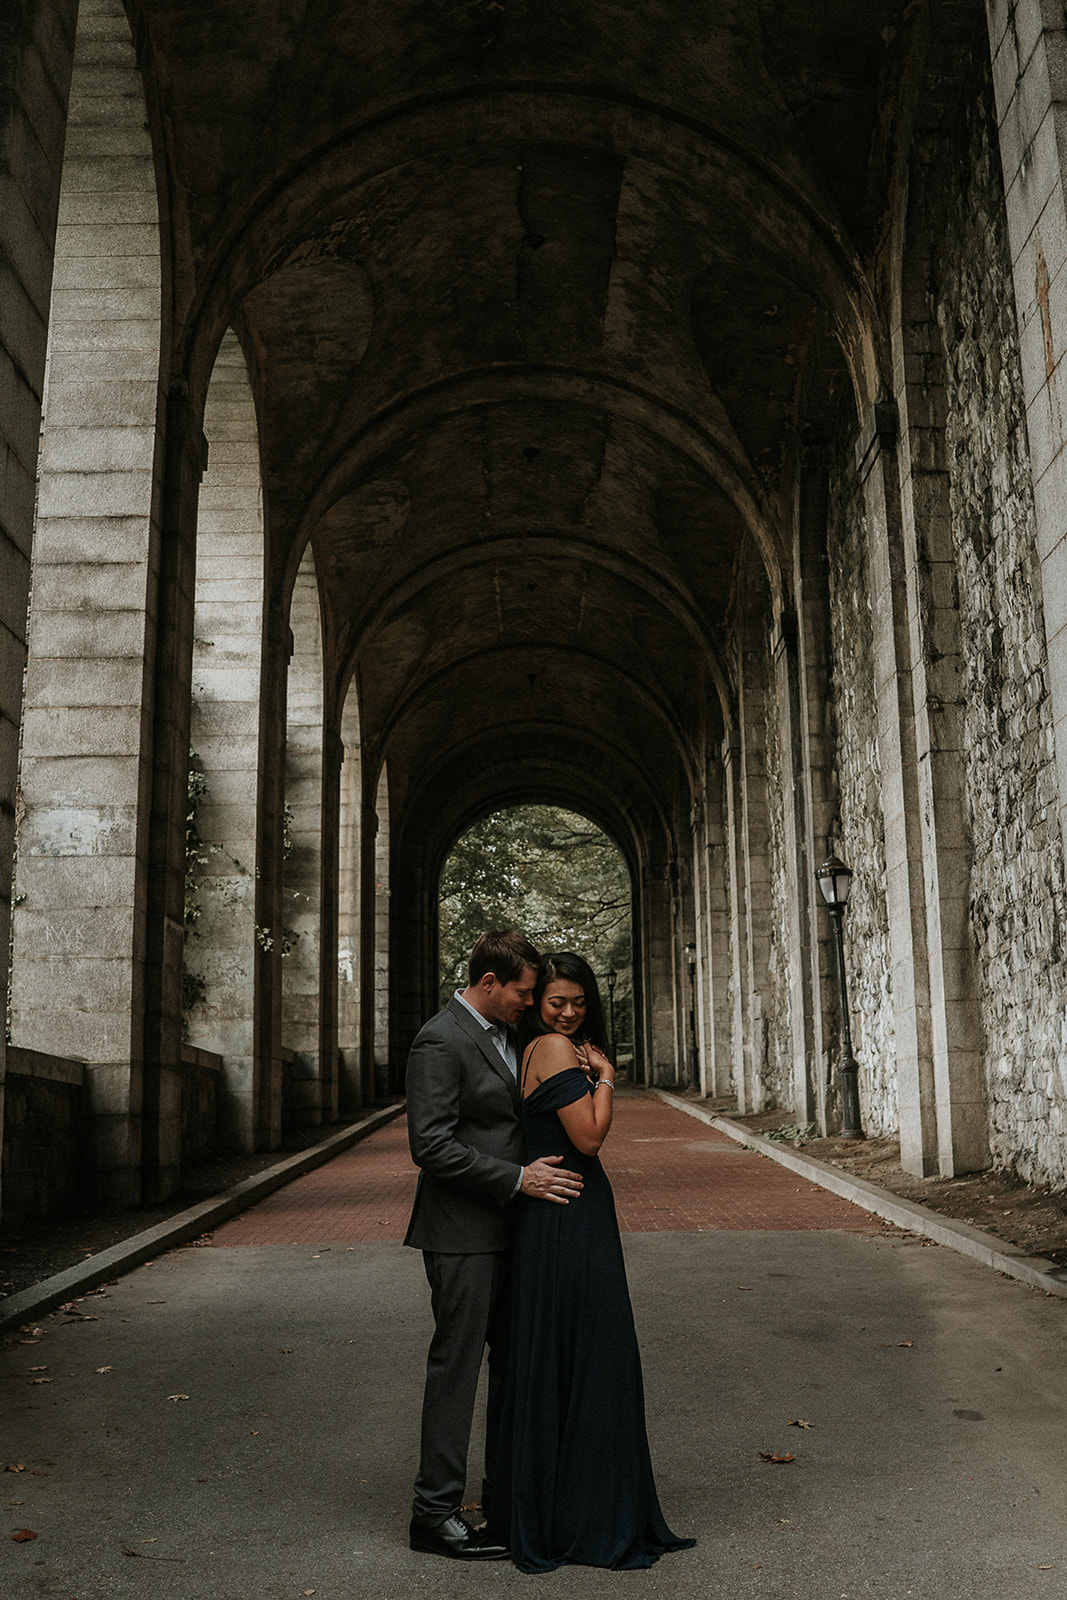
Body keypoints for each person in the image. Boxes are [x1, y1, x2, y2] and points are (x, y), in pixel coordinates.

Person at [487, 951, 696, 1572]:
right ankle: (582, 1514)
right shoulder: (552, 1050)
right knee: (591, 1352)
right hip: (567, 1213)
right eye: (556, 1002)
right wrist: (607, 1078)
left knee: (566, 1352)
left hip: (563, 1212)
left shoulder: (543, 1048)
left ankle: (562, 1503)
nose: (570, 1013)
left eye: (579, 1002)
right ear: (538, 1005)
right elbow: (589, 1138)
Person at [404, 930, 584, 1561]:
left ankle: (504, 1497)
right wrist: (516, 1178)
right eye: (522, 993)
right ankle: (434, 1512)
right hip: (461, 1235)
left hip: (518, 1231)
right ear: (488, 984)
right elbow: (430, 1145)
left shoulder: (514, 1036)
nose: (529, 1003)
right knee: (457, 1369)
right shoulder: (439, 1039)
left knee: (515, 1368)